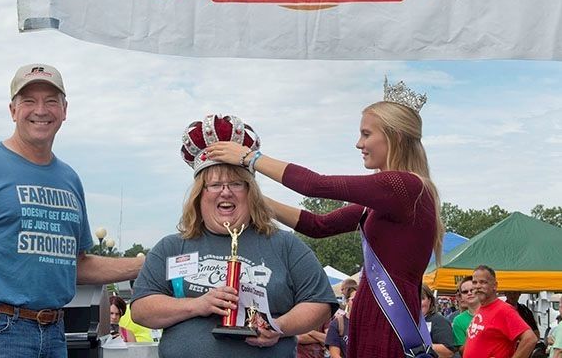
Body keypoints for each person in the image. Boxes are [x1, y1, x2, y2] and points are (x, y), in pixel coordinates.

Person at [0, 63, 144, 358]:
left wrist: (146, 264)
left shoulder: (70, 180)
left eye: (51, 101)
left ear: (64, 110)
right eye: (29, 101)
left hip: (54, 335)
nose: (41, 110)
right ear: (12, 110)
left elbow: (79, 265)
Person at [206, 78, 444, 358]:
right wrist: (253, 199)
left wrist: (250, 158)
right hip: (377, 312)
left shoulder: (403, 186)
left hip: (387, 316)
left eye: (366, 134)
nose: (359, 143)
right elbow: (317, 225)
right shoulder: (388, 198)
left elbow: (315, 185)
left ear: (395, 136)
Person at [131, 114, 337, 358]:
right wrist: (199, 304)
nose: (226, 192)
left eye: (237, 184)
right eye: (215, 185)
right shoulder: (172, 246)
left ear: (251, 193)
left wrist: (278, 327)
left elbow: (321, 304)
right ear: (200, 194)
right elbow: (142, 309)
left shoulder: (285, 245)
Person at [462, 265, 537, 358]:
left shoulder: (504, 310)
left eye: (483, 282)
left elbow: (530, 339)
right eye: (475, 282)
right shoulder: (482, 308)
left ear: (495, 286)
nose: (477, 286)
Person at [421, 284, 456, 358]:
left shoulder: (439, 321)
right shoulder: (406, 321)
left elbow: (448, 352)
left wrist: (421, 347)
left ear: (429, 300)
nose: (418, 302)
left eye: (422, 298)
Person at [325, 286, 357, 358]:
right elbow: (335, 354)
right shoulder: (337, 323)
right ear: (347, 302)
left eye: (360, 299)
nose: (357, 302)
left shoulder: (369, 325)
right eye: (354, 300)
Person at [452, 276, 478, 355]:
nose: (469, 293)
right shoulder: (458, 320)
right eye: (465, 292)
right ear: (461, 296)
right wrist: (469, 336)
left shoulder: (494, 312)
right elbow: (462, 352)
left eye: (472, 290)